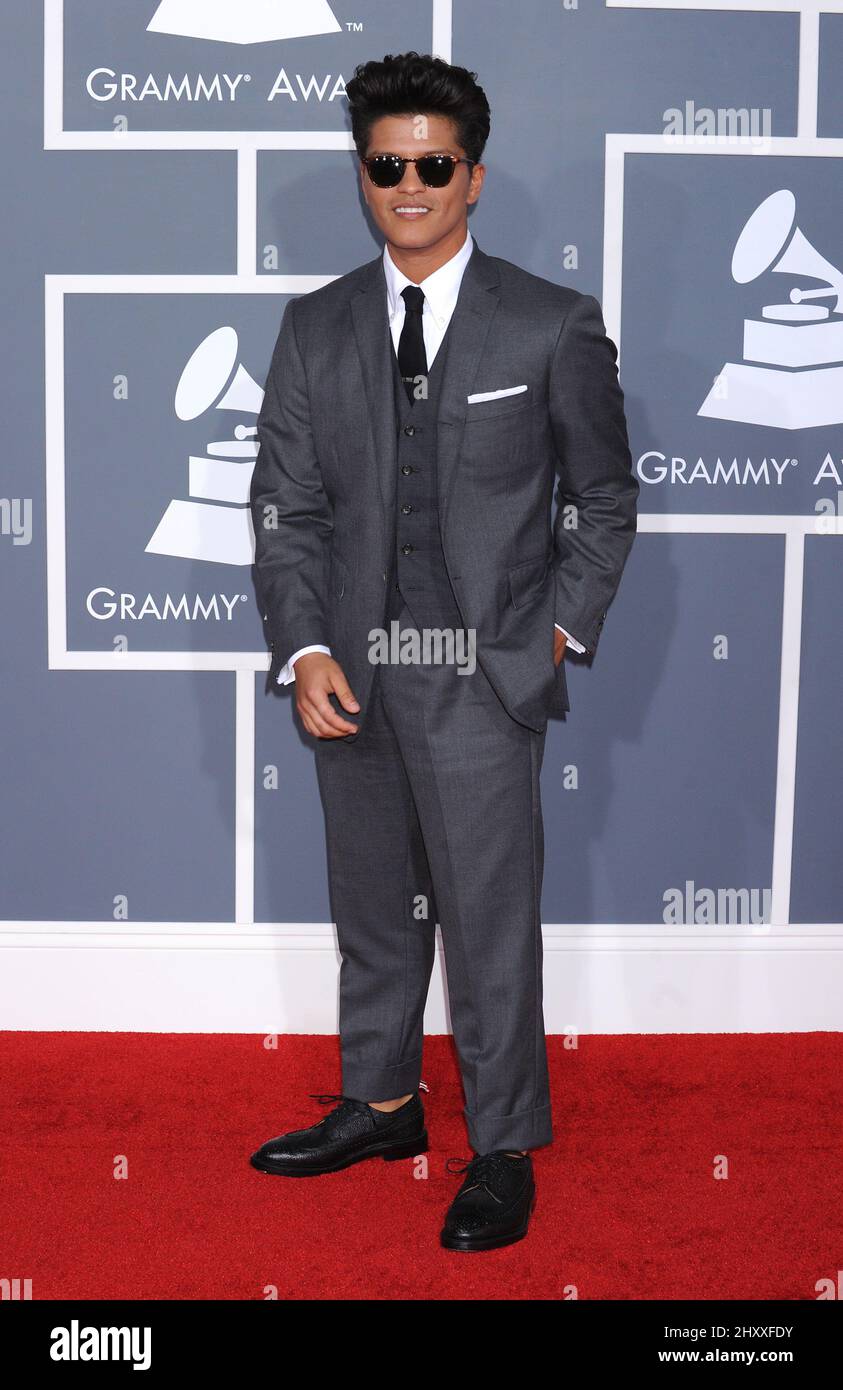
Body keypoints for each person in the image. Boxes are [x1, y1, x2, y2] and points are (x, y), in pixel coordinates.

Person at [248, 51, 638, 1252]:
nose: (407, 184)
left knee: (485, 922)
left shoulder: (550, 320)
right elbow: (287, 507)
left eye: (433, 164)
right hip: (354, 668)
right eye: (386, 164)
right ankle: (380, 1104)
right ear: (362, 174)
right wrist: (305, 644)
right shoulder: (314, 327)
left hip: (485, 671)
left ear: (473, 176)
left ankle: (504, 1143)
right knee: (372, 903)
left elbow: (607, 497)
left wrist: (554, 633)